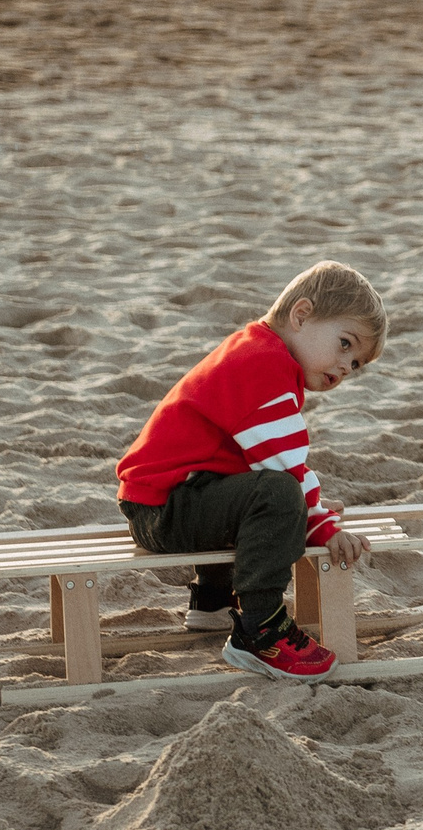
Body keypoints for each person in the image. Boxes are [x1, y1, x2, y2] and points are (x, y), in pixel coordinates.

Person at [116, 260, 384, 681]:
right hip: (164, 510)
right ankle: (260, 630)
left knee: (268, 492)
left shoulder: (258, 349)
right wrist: (318, 522)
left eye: (356, 364)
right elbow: (283, 468)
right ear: (301, 315)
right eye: (345, 344)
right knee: (276, 494)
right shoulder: (265, 365)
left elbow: (266, 459)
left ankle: (212, 603)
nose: (346, 368)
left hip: (165, 499)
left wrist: (304, 505)